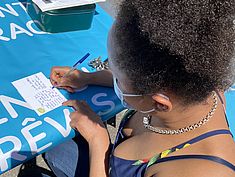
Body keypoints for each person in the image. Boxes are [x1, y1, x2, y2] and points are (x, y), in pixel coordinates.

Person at [45, 0, 235, 176]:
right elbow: (146, 78)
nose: (110, 74)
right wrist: (87, 77)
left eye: (117, 77)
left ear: (159, 103)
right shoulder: (195, 83)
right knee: (55, 148)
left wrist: (98, 141)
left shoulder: (199, 171)